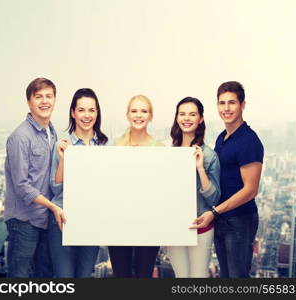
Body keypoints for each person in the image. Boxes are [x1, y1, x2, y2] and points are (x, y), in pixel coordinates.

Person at [191, 81, 264, 278]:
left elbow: (251, 190)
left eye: (232, 102)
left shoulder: (248, 141)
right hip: (222, 219)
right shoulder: (222, 137)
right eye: (222, 103)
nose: (226, 108)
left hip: (239, 220)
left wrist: (214, 211)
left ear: (243, 105)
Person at [4, 77, 66, 277]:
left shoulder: (51, 131)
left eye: (49, 96)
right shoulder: (20, 137)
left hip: (44, 219)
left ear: (55, 101)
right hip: (23, 221)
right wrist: (53, 206)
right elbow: (22, 186)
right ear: (29, 102)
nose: (44, 101)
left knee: (44, 276)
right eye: (38, 97)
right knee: (20, 278)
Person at [48, 88, 108, 277]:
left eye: (91, 110)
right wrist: (64, 159)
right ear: (73, 113)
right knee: (64, 278)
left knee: (84, 277)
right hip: (63, 220)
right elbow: (56, 188)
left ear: (97, 113)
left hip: (91, 220)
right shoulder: (62, 145)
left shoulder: (105, 146)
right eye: (81, 110)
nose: (87, 115)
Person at [108, 95, 163, 278]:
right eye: (134, 111)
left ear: (151, 116)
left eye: (144, 111)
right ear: (127, 115)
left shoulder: (161, 149)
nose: (138, 115)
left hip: (149, 223)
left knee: (143, 276)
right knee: (121, 276)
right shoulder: (115, 148)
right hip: (119, 223)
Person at [168, 97, 220, 278]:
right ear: (176, 118)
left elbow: (214, 199)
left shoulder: (209, 155)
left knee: (198, 277)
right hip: (174, 227)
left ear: (201, 119)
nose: (186, 118)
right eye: (182, 114)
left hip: (201, 228)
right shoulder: (169, 153)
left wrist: (200, 168)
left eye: (192, 114)